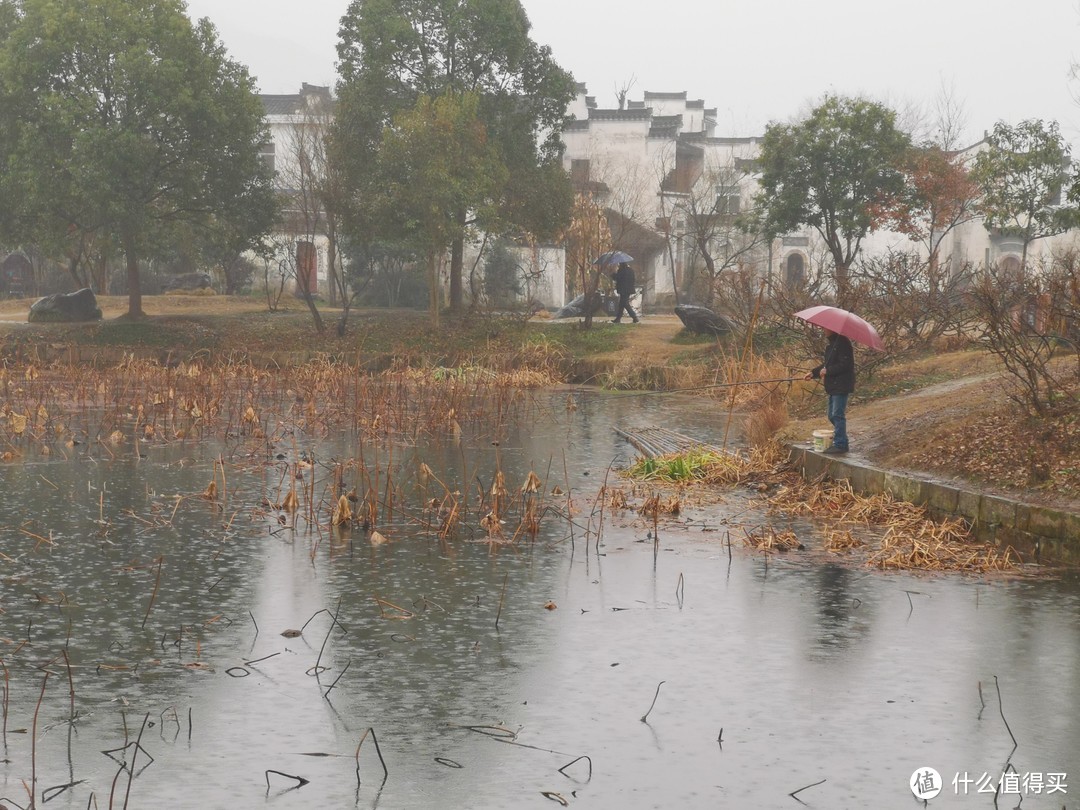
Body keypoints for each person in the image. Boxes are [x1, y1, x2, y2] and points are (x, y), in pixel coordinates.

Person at [803, 327, 854, 454]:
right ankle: (842, 441)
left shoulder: (843, 343)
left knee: (837, 415)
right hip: (833, 386)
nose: (823, 330)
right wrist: (813, 373)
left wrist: (828, 371)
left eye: (825, 328)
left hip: (841, 384)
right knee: (831, 415)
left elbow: (845, 364)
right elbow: (827, 364)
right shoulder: (832, 345)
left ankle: (840, 444)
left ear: (832, 328)